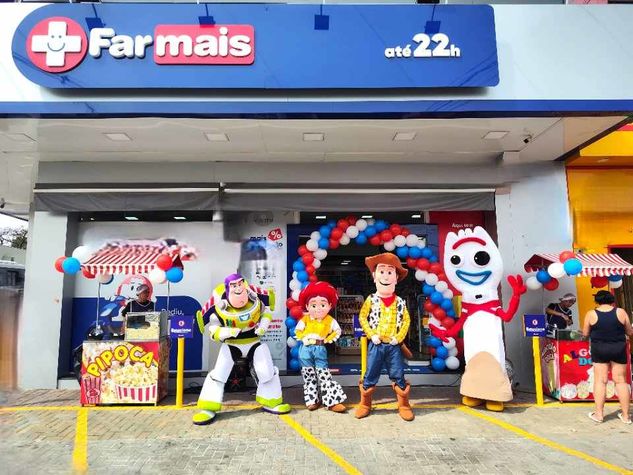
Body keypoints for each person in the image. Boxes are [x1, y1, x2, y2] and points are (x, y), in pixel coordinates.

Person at [193, 273, 290, 425]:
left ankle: (271, 400)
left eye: (240, 284)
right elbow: (213, 330)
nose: (238, 288)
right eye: (234, 285)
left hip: (254, 342)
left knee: (266, 370)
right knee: (219, 374)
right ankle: (208, 407)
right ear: (228, 288)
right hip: (232, 345)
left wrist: (264, 325)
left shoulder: (255, 299)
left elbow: (266, 314)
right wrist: (226, 332)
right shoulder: (219, 306)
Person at [356, 252, 413, 421]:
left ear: (396, 278)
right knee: (370, 373)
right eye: (382, 272)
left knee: (398, 373)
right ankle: (365, 403)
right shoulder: (371, 299)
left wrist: (399, 337)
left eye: (390, 272)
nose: (386, 276)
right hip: (376, 344)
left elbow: (406, 321)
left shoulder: (401, 302)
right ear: (374, 276)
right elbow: (362, 317)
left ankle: (403, 404)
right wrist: (371, 334)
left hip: (394, 346)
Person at [295, 281, 347, 412]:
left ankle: (331, 401)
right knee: (308, 374)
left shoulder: (330, 320)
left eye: (323, 304)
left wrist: (328, 339)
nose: (318, 308)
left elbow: (337, 331)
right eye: (313, 305)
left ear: (330, 305)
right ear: (307, 306)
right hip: (305, 349)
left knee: (324, 374)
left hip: (320, 348)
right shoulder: (305, 319)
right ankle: (312, 400)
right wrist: (304, 338)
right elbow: (297, 331)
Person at [582, 290, 633, 424]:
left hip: (599, 349)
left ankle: (599, 415)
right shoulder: (621, 312)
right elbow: (629, 331)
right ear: (612, 300)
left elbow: (585, 333)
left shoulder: (591, 314)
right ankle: (626, 416)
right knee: (621, 381)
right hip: (618, 348)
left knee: (600, 381)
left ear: (597, 301)